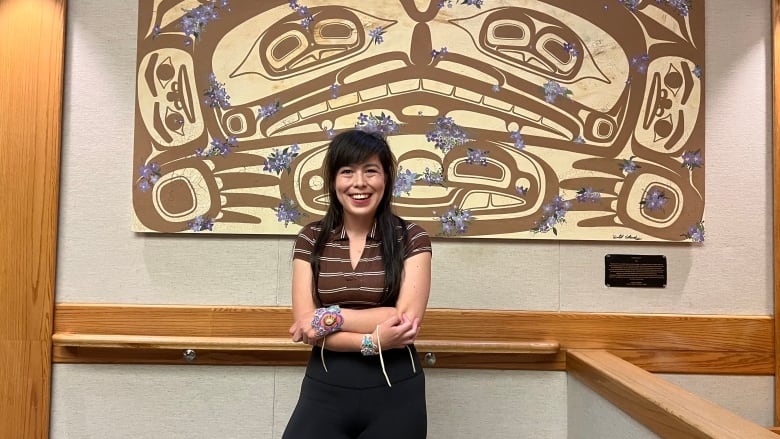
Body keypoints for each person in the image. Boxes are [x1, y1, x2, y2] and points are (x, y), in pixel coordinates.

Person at [282, 129, 433, 439]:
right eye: (347, 171)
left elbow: (402, 322)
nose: (359, 183)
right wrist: (372, 342)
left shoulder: (412, 238)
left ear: (386, 179)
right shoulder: (310, 238)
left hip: (396, 390)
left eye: (371, 171)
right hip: (324, 387)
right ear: (334, 181)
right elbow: (306, 326)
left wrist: (330, 317)